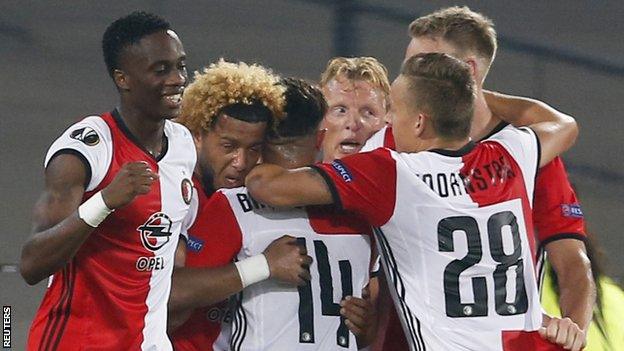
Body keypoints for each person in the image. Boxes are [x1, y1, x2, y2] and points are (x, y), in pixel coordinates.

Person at [245, 53, 580, 350]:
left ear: (419, 122)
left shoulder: (392, 173)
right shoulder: (512, 153)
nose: (389, 121)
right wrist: (463, 94)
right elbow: (564, 125)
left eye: (395, 110)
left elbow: (268, 187)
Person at [364, 7, 594, 350]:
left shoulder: (528, 155)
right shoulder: (386, 144)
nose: (412, 75)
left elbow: (573, 262)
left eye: (425, 63)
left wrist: (573, 330)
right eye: (409, 63)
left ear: (468, 70)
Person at [20, 11, 194, 350]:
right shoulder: (86, 149)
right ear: (123, 79)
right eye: (161, 70)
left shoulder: (184, 144)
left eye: (181, 66)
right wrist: (104, 202)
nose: (178, 79)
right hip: (77, 341)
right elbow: (31, 264)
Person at [178, 77, 376, 350]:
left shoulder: (234, 204)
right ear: (320, 138)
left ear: (263, 138)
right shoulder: (362, 214)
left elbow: (173, 299)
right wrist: (371, 329)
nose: (240, 161)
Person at [166, 60, 314, 350]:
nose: (241, 162)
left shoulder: (250, 199)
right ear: (197, 134)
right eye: (228, 146)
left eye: (253, 149)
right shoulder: (176, 194)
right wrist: (263, 266)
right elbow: (167, 304)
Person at [319, 57, 390, 162]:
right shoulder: (295, 178)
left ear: (387, 123)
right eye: (340, 111)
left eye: (368, 113)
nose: (353, 124)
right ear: (318, 122)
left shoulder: (405, 177)